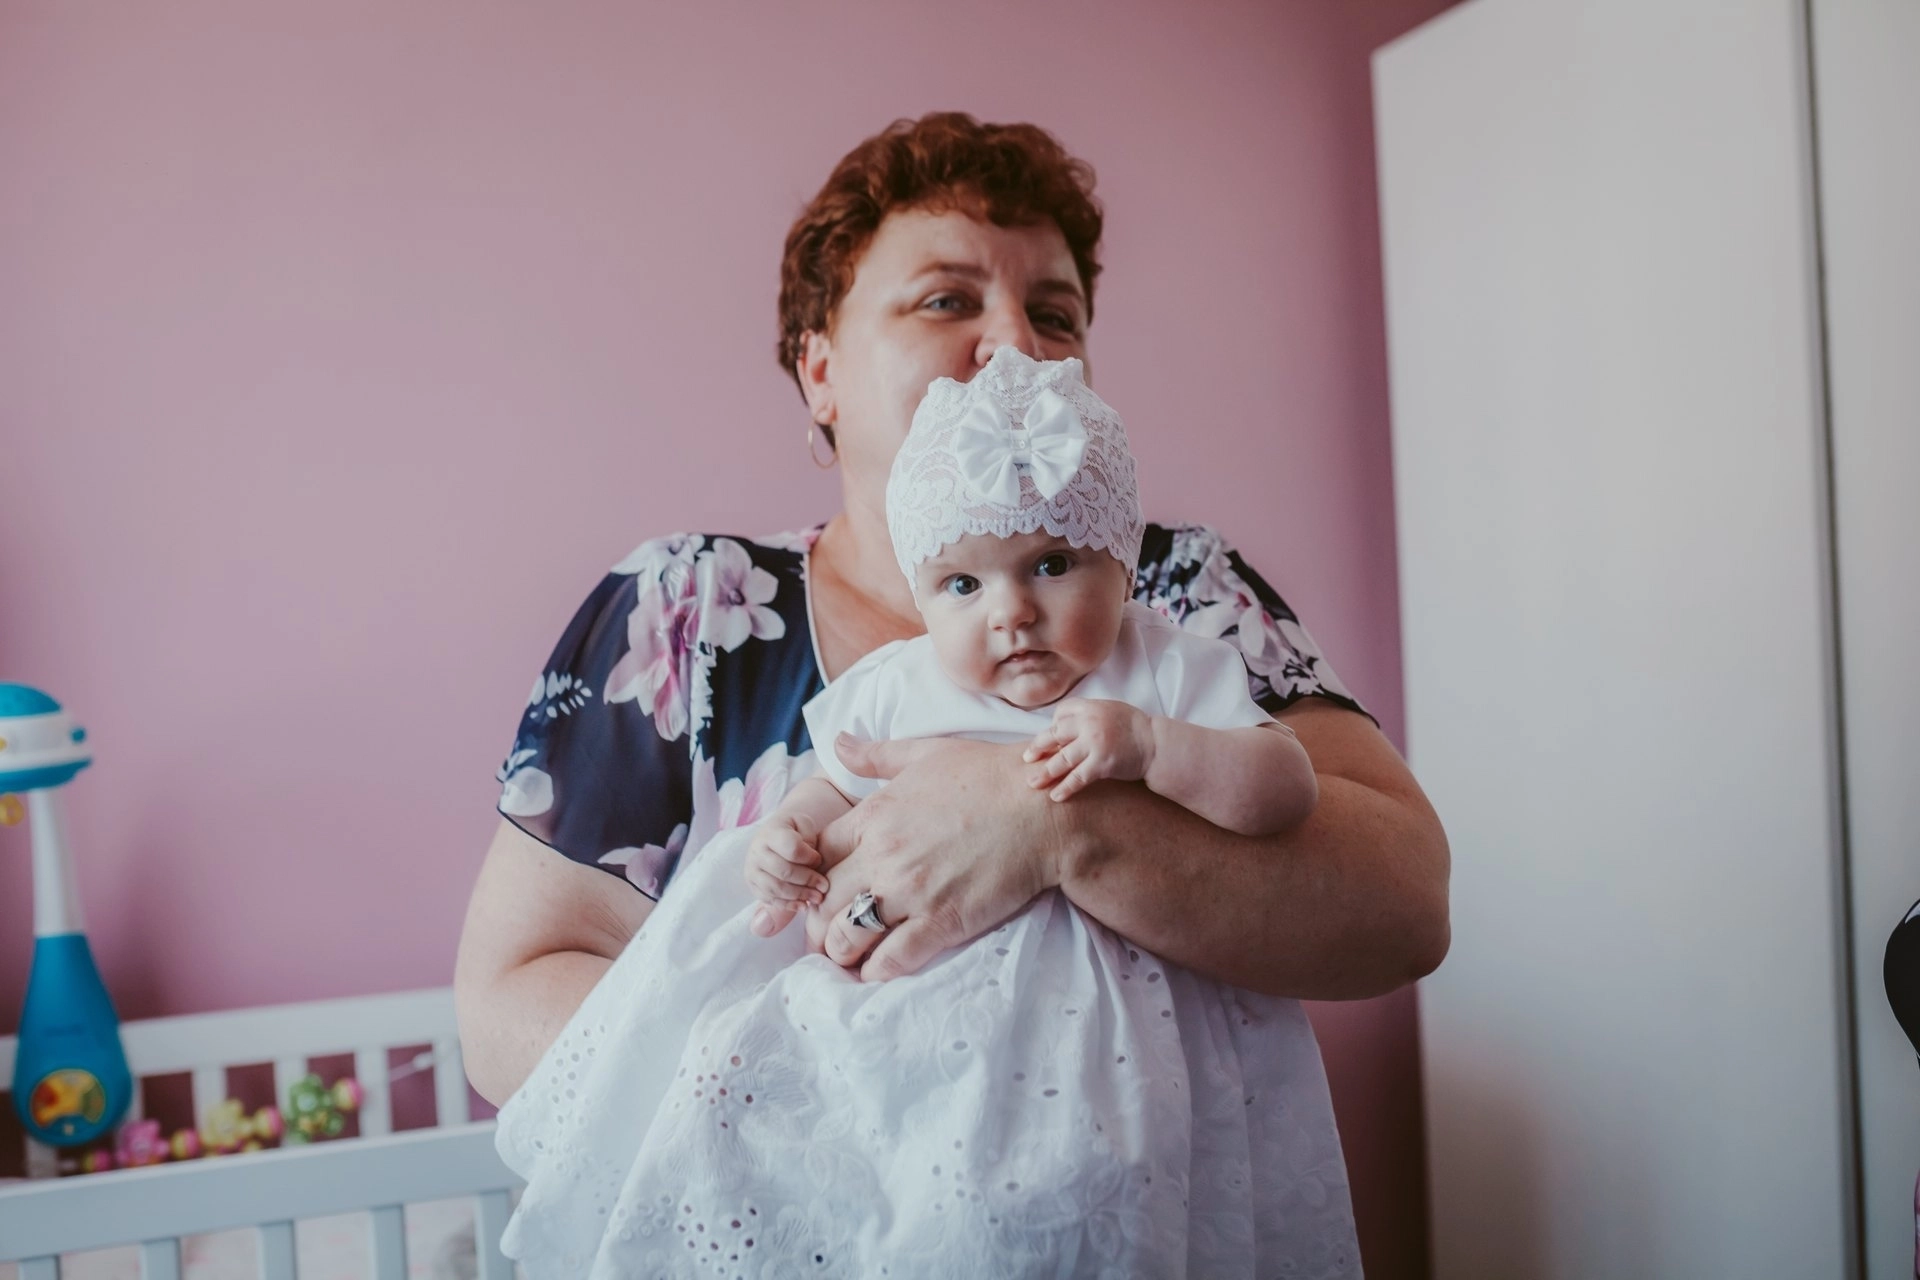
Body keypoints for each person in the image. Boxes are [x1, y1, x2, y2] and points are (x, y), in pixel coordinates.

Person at [455, 109, 1449, 1268]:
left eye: (1057, 314)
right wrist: (847, 1117)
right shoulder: (688, 612)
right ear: (820, 369)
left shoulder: (1184, 595)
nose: (1018, 342)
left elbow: (1402, 900)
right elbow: (508, 1001)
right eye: (945, 299)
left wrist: (1051, 826)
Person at [494, 349, 1350, 1276]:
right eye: (963, 586)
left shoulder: (1166, 668)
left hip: (1127, 1042)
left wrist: (1155, 748)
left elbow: (1285, 788)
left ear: (1121, 558)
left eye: (1051, 564)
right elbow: (835, 785)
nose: (1011, 613)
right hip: (924, 1040)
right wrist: (789, 835)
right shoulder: (901, 686)